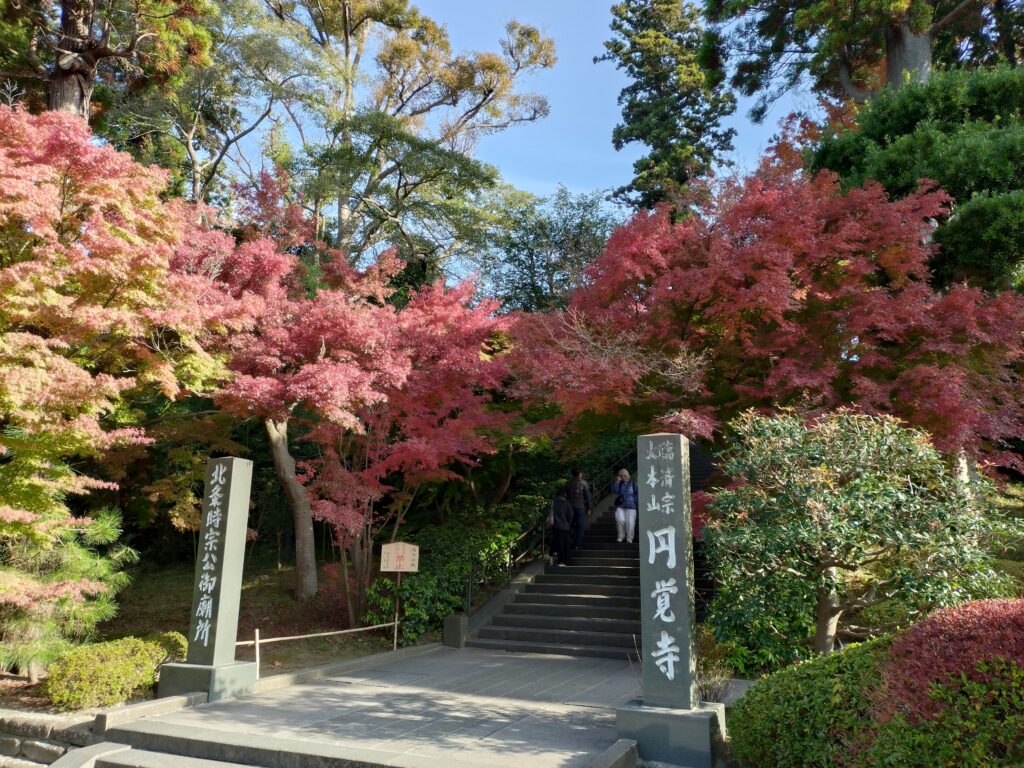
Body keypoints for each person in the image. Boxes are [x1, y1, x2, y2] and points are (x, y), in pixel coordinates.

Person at [564, 468, 593, 549]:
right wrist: (589, 508)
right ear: (580, 474)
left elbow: (565, 496)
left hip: (569, 507)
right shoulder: (583, 483)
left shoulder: (568, 483)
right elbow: (587, 496)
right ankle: (577, 544)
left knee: (570, 525)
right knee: (581, 526)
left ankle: (569, 541)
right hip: (580, 507)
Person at [611, 469, 638, 544]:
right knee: (620, 520)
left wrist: (635, 501)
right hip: (621, 505)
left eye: (624, 476)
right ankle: (621, 537)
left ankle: (629, 539)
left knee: (630, 523)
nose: (623, 477)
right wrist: (617, 481)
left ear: (627, 475)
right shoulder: (619, 483)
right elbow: (614, 491)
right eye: (621, 476)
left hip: (631, 506)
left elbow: (637, 493)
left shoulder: (633, 483)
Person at [550, 489, 574, 566]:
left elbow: (551, 514)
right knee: (566, 544)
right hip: (566, 527)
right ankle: (565, 561)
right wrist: (568, 524)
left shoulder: (553, 503)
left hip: (556, 527)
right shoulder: (567, 503)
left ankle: (560, 560)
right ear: (564, 495)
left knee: (559, 544)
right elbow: (571, 515)